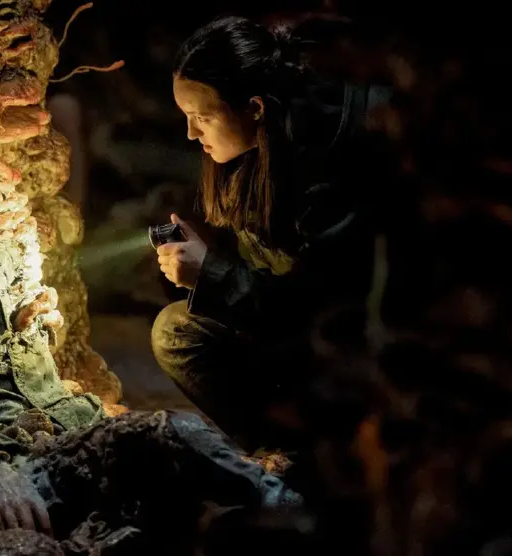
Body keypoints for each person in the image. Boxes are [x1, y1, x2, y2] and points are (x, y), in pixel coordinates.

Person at [151, 15, 388, 452]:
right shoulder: (260, 141)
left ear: (255, 108)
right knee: (176, 331)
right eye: (186, 116)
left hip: (342, 350)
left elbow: (316, 308)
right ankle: (279, 445)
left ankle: (299, 455)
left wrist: (213, 273)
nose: (190, 133)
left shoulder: (329, 167)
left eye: (202, 117)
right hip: (285, 327)